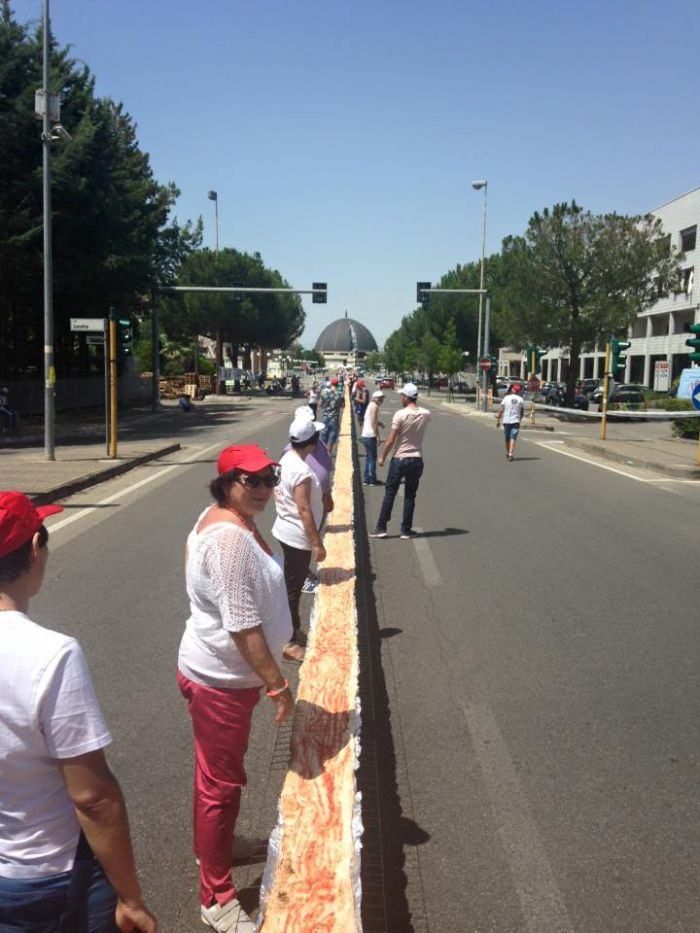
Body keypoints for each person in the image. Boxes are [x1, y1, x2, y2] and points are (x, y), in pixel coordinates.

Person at [0, 491, 157, 933]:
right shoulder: (51, 655)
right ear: (34, 549)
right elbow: (94, 798)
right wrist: (131, 897)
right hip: (49, 875)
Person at [177, 446, 294, 933]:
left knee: (219, 778)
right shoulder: (227, 538)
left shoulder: (226, 516)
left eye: (270, 477)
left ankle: (220, 847)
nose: (265, 488)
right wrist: (277, 685)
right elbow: (242, 624)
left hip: (224, 676)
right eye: (252, 481)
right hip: (221, 682)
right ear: (227, 482)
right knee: (220, 787)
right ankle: (217, 895)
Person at [272, 417, 327, 663]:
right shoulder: (302, 471)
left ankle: (291, 631)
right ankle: (289, 641)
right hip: (296, 536)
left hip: (285, 530)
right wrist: (316, 543)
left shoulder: (287, 459)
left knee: (291, 586)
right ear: (312, 443)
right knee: (292, 590)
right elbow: (304, 509)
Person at [370, 383, 431, 540]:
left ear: (406, 397)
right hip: (417, 459)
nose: (400, 398)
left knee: (390, 493)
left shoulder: (400, 414)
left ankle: (381, 527)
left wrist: (382, 456)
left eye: (401, 395)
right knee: (410, 495)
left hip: (400, 458)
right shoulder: (426, 414)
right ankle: (406, 529)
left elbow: (391, 439)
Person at [360, 390, 385, 486]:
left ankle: (367, 479)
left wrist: (381, 424)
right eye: (380, 398)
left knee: (368, 457)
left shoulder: (370, 405)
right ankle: (372, 479)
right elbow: (373, 422)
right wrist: (378, 436)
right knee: (372, 458)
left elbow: (371, 419)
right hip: (370, 435)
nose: (381, 400)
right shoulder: (374, 406)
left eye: (382, 398)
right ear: (374, 398)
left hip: (365, 434)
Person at [495, 383, 525, 461]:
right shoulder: (521, 400)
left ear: (512, 390)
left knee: (507, 438)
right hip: (516, 421)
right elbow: (522, 412)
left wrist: (498, 420)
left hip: (506, 421)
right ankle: (511, 453)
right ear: (519, 391)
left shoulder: (506, 398)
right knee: (513, 438)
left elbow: (501, 410)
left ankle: (508, 452)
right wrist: (519, 420)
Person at [320, 377, 343, 456]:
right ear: (337, 385)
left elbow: (320, 405)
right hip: (334, 417)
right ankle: (329, 452)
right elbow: (342, 405)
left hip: (325, 416)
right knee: (332, 435)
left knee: (324, 434)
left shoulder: (324, 392)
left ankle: (323, 453)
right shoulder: (339, 393)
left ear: (331, 384)